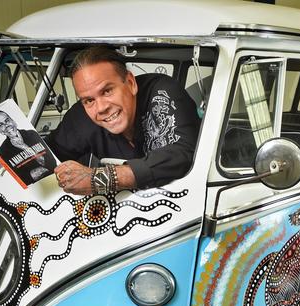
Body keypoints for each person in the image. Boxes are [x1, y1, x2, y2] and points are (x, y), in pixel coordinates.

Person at [46, 47, 200, 196]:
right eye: (89, 100)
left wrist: (99, 179)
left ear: (131, 83)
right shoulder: (81, 117)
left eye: (107, 91)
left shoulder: (162, 93)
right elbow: (47, 155)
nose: (101, 108)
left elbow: (182, 154)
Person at [0, 110, 57, 185]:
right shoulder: (3, 150)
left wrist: (24, 147)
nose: (6, 125)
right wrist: (43, 168)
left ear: (13, 121)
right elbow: (22, 179)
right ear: (0, 130)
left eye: (7, 120)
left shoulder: (32, 134)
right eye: (1, 124)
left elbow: (52, 163)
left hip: (54, 179)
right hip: (34, 188)